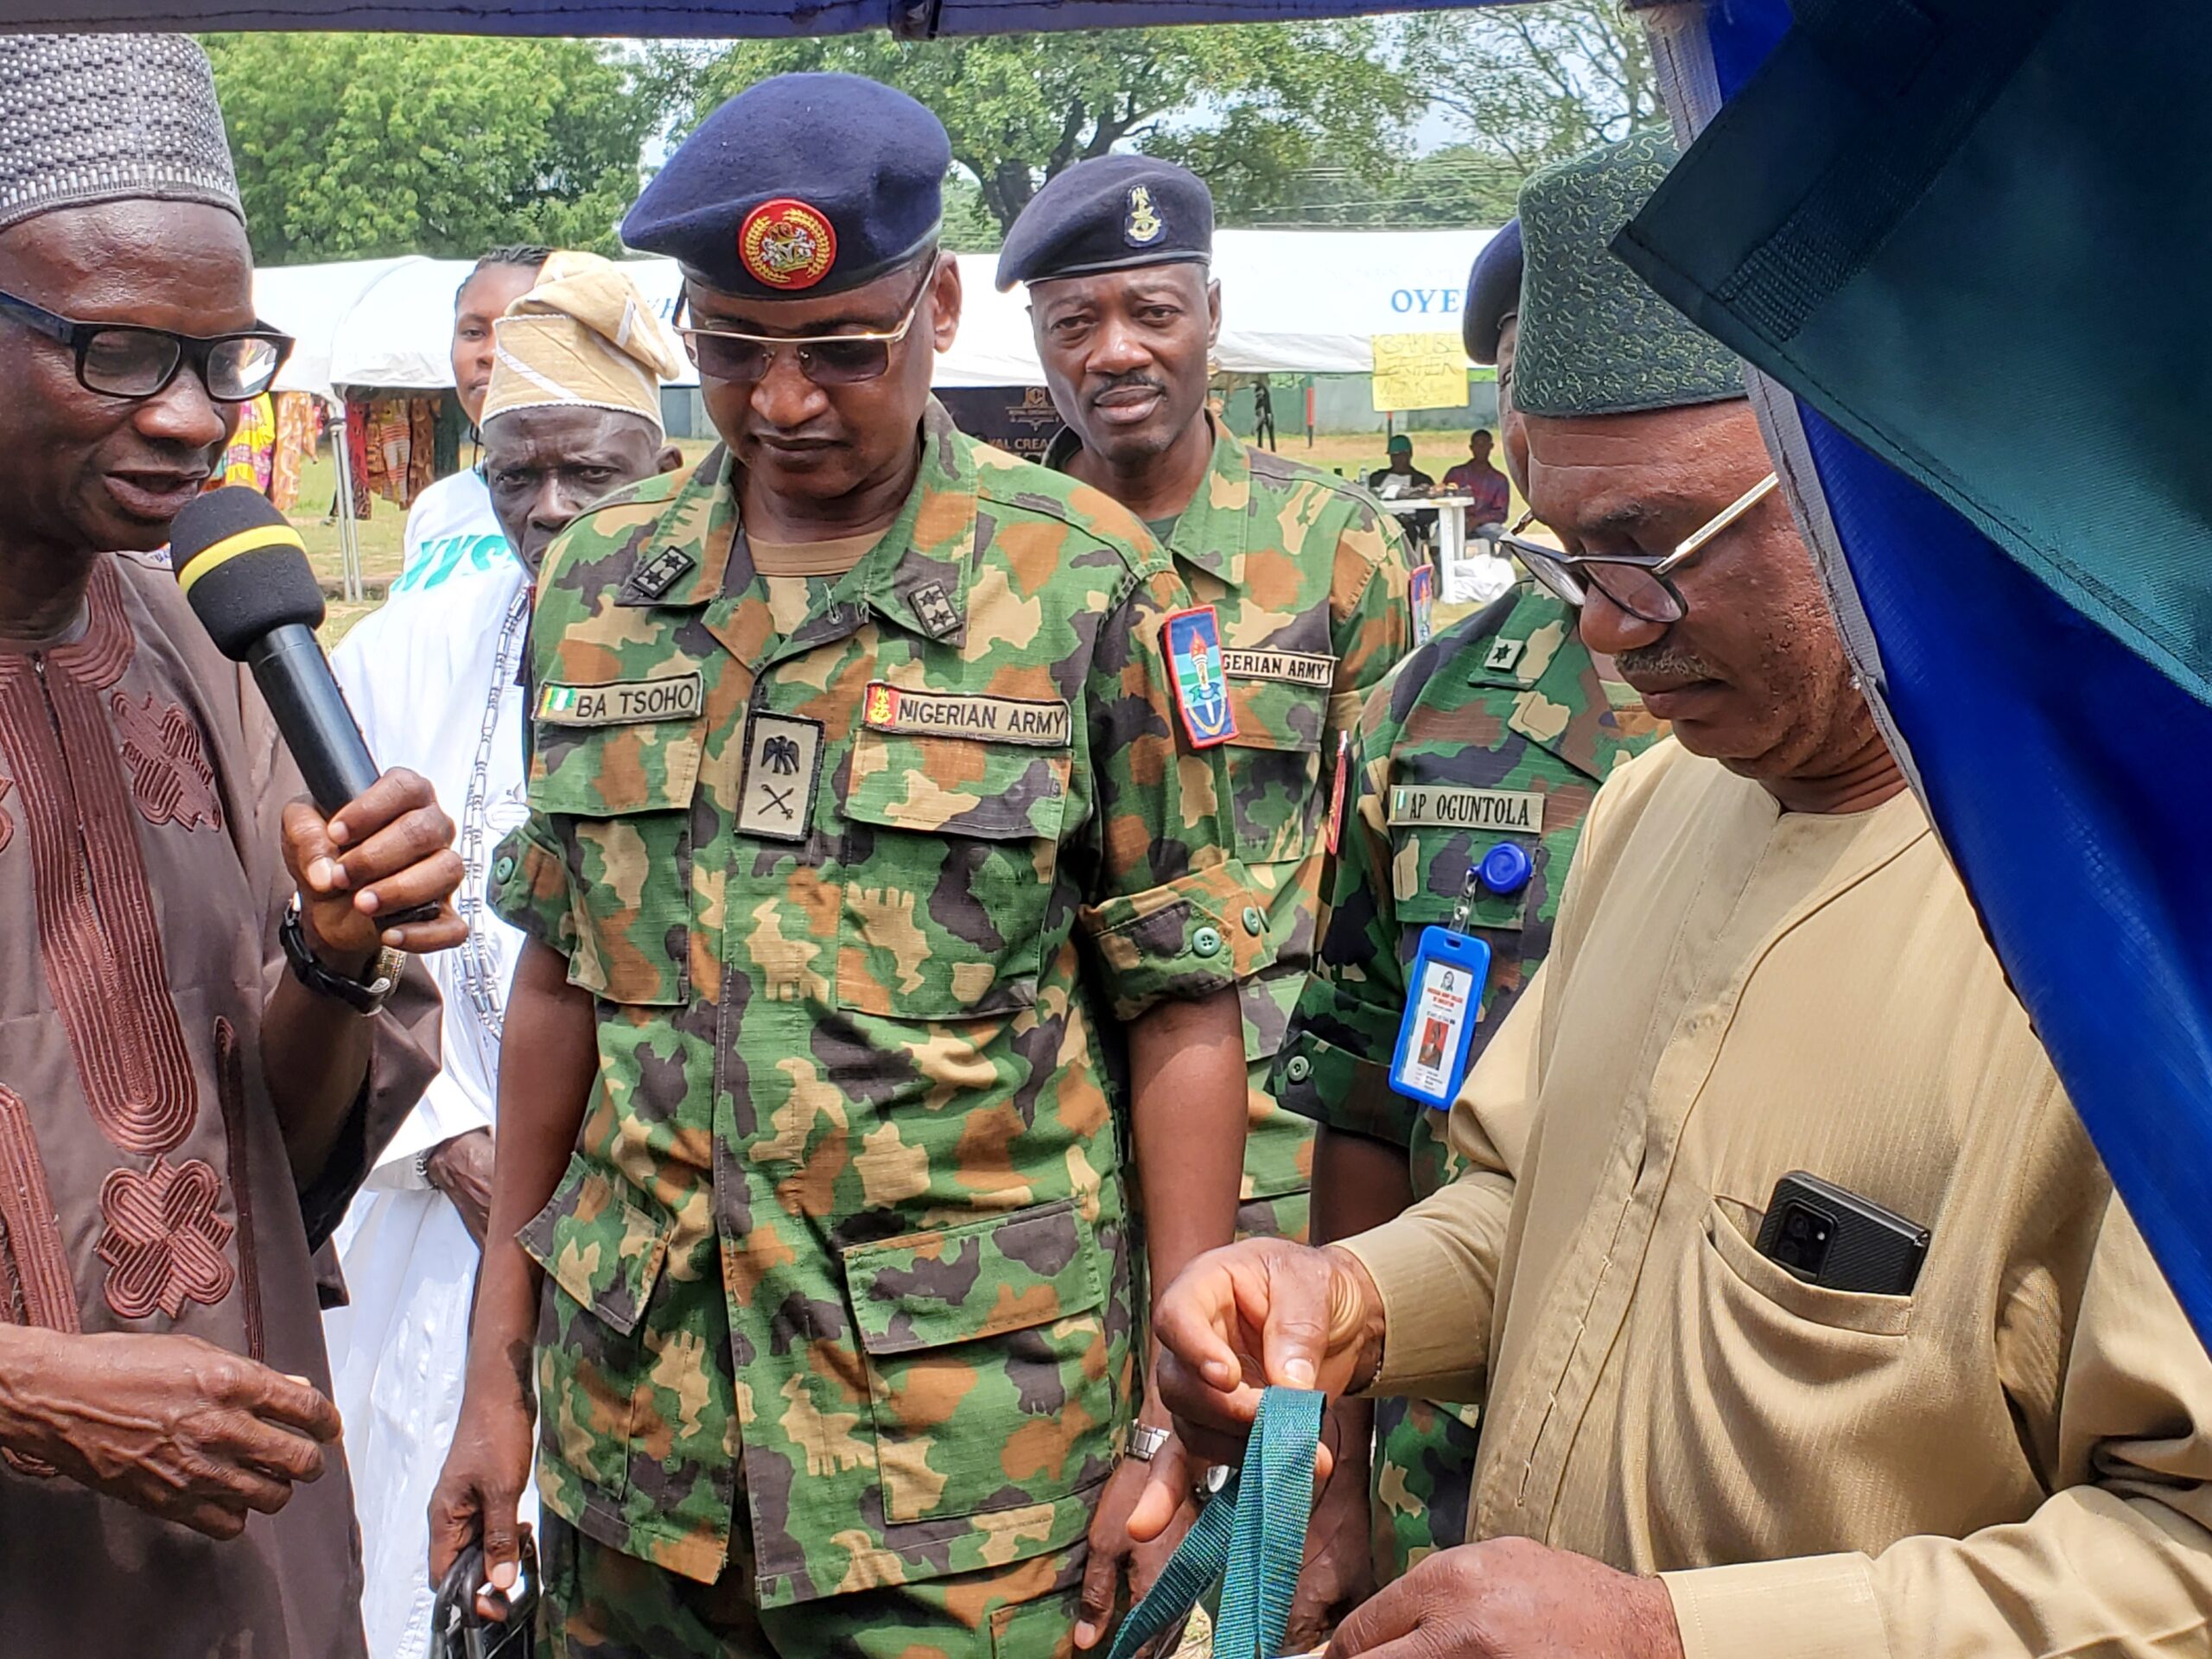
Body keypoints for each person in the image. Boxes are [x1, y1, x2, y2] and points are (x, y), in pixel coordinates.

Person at [1142, 130, 2212, 1659]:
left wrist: (1673, 1636)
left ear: (1883, 480)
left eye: (1652, 550)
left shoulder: (2140, 916)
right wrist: (1346, 1300)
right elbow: (1546, 1218)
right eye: (1569, 554)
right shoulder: (1657, 807)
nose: (1605, 632)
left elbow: (2186, 1556)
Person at [429, 73, 1261, 1658]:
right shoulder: (601, 585)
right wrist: (495, 1377)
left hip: (968, 1469)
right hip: (641, 1454)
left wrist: (1173, 1419)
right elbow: (559, 983)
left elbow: (1181, 1005)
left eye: (841, 351)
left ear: (937, 310)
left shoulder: (1086, 586)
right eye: (734, 350)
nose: (786, 400)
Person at [0, 34, 465, 1658]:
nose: (193, 420)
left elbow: (275, 1147)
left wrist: (335, 963)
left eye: (226, 358)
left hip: (243, 1557)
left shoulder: (211, 646)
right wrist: (26, 1390)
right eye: (122, 351)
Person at [995, 151, 1417, 1643]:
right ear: (1035, 342)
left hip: (1285, 1146)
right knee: (1062, 1552)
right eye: (1075, 322)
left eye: (1152, 313)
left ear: (1213, 316)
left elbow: (1378, 866)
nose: (1116, 352)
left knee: (1272, 1556)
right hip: (1045, 1147)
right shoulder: (997, 555)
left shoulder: (1340, 546)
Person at [1270, 213, 1664, 1638]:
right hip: (1447, 1452)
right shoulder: (1431, 710)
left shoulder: (1878, 712)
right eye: (1530, 380)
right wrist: (1332, 1483)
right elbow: (1366, 1101)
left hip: (1713, 1487)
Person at [326, 251, 685, 1659]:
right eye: (515, 473)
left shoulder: (749, 657)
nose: (548, 508)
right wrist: (448, 1135)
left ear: (662, 469)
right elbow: (327, 921)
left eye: (587, 473)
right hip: (442, 1212)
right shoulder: (400, 654)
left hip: (666, 1237)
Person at [388, 245, 550, 594]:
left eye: (516, 330)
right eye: (474, 333)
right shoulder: (437, 507)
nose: (489, 353)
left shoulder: (610, 505)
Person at [1367, 434, 1436, 545]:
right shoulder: (1377, 478)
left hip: (1408, 525)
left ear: (1410, 455)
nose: (1398, 460)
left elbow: (1430, 512)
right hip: (1380, 522)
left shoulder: (1422, 480)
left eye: (1402, 455)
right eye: (1394, 456)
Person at [1440, 429, 1511, 531]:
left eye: (1484, 445)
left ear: (1491, 447)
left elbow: (1501, 513)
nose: (1481, 449)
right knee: (1440, 532)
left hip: (1484, 525)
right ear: (1471, 448)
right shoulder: (1456, 473)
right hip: (1455, 522)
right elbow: (1443, 499)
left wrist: (1477, 521)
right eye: (1477, 445)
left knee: (1500, 533)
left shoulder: (1499, 480)